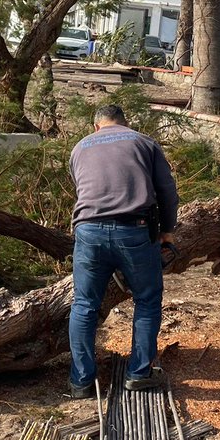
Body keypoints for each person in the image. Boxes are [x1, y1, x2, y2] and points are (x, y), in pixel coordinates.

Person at [67, 104, 178, 397]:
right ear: (124, 123)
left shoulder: (79, 148)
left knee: (84, 305)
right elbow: (167, 190)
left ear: (97, 127)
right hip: (135, 231)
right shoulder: (144, 142)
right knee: (147, 300)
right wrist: (167, 231)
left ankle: (81, 382)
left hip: (88, 231)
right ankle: (138, 374)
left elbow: (83, 189)